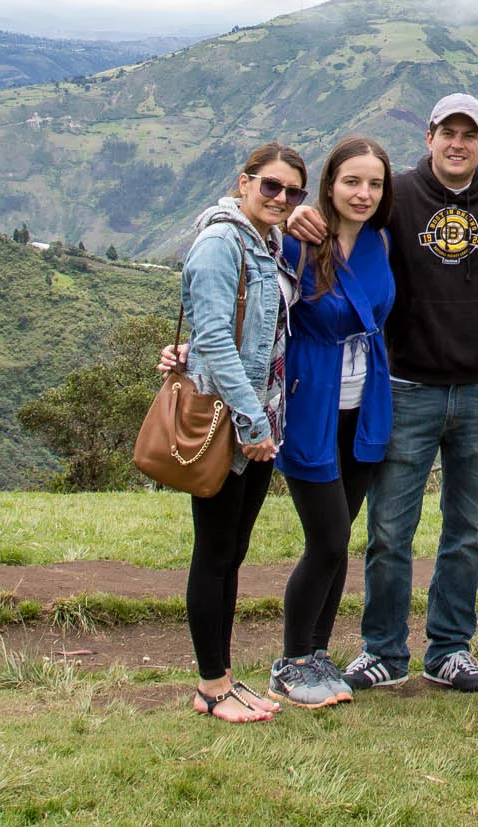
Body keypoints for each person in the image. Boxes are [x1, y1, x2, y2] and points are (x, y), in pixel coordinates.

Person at [323, 94, 478, 695]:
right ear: (428, 136)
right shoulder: (396, 195)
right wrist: (304, 218)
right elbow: (343, 217)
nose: (457, 144)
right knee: (388, 530)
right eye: (447, 132)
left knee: (467, 531)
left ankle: (449, 648)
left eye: (469, 134)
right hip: (407, 387)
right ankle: (383, 649)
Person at [163, 141, 305, 724]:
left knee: (231, 553)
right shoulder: (223, 241)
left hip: (260, 420)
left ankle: (220, 677)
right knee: (215, 552)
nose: (281, 198)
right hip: (233, 422)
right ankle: (211, 686)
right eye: (271, 185)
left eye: (293, 191)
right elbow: (218, 336)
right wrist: (250, 420)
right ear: (244, 181)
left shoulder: (264, 242)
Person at [268, 138, 396, 709]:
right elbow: (253, 303)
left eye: (374, 183)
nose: (363, 193)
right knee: (328, 536)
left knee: (340, 538)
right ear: (329, 184)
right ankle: (292, 661)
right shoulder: (298, 242)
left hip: (363, 405)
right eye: (352, 181)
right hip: (310, 403)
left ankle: (317, 653)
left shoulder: (380, 242)